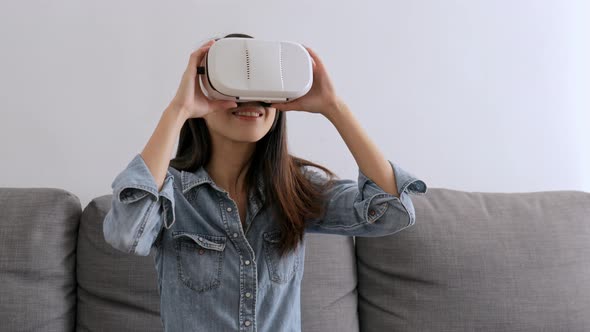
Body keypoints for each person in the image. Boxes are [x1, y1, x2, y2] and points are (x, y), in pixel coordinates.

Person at [103, 32, 428, 332]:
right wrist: (178, 110)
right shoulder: (171, 190)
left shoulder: (293, 188)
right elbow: (127, 234)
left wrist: (334, 107)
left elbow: (392, 211)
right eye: (235, 88)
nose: (251, 102)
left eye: (263, 92)